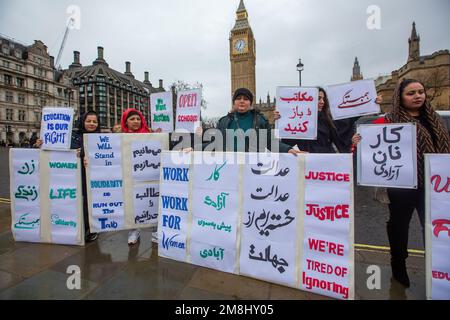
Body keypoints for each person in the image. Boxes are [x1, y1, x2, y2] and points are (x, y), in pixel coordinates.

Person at [352, 79, 450, 287]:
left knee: (433, 228)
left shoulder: (436, 120)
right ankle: (399, 264)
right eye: (411, 93)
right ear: (400, 96)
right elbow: (366, 147)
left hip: (433, 185)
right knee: (399, 227)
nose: (417, 96)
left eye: (421, 92)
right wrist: (357, 143)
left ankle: (438, 268)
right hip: (401, 186)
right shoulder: (387, 121)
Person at [201, 87, 303, 154]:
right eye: (239, 98)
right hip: (228, 167)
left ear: (250, 103)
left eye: (245, 99)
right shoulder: (224, 121)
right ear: (234, 102)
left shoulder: (260, 121)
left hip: (252, 168)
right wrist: (194, 148)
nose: (242, 101)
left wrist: (288, 149)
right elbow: (214, 144)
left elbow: (270, 142)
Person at [120, 108, 161, 245]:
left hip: (149, 175)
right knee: (132, 204)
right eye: (132, 119)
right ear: (126, 121)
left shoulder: (150, 134)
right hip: (130, 176)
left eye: (138, 119)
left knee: (152, 201)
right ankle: (134, 230)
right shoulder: (119, 136)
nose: (136, 121)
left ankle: (155, 230)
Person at [71, 111, 102, 242]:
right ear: (83, 122)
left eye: (95, 121)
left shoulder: (101, 137)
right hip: (77, 175)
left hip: (95, 176)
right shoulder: (73, 137)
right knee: (79, 202)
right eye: (88, 121)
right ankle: (79, 228)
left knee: (91, 202)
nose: (91, 124)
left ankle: (91, 229)